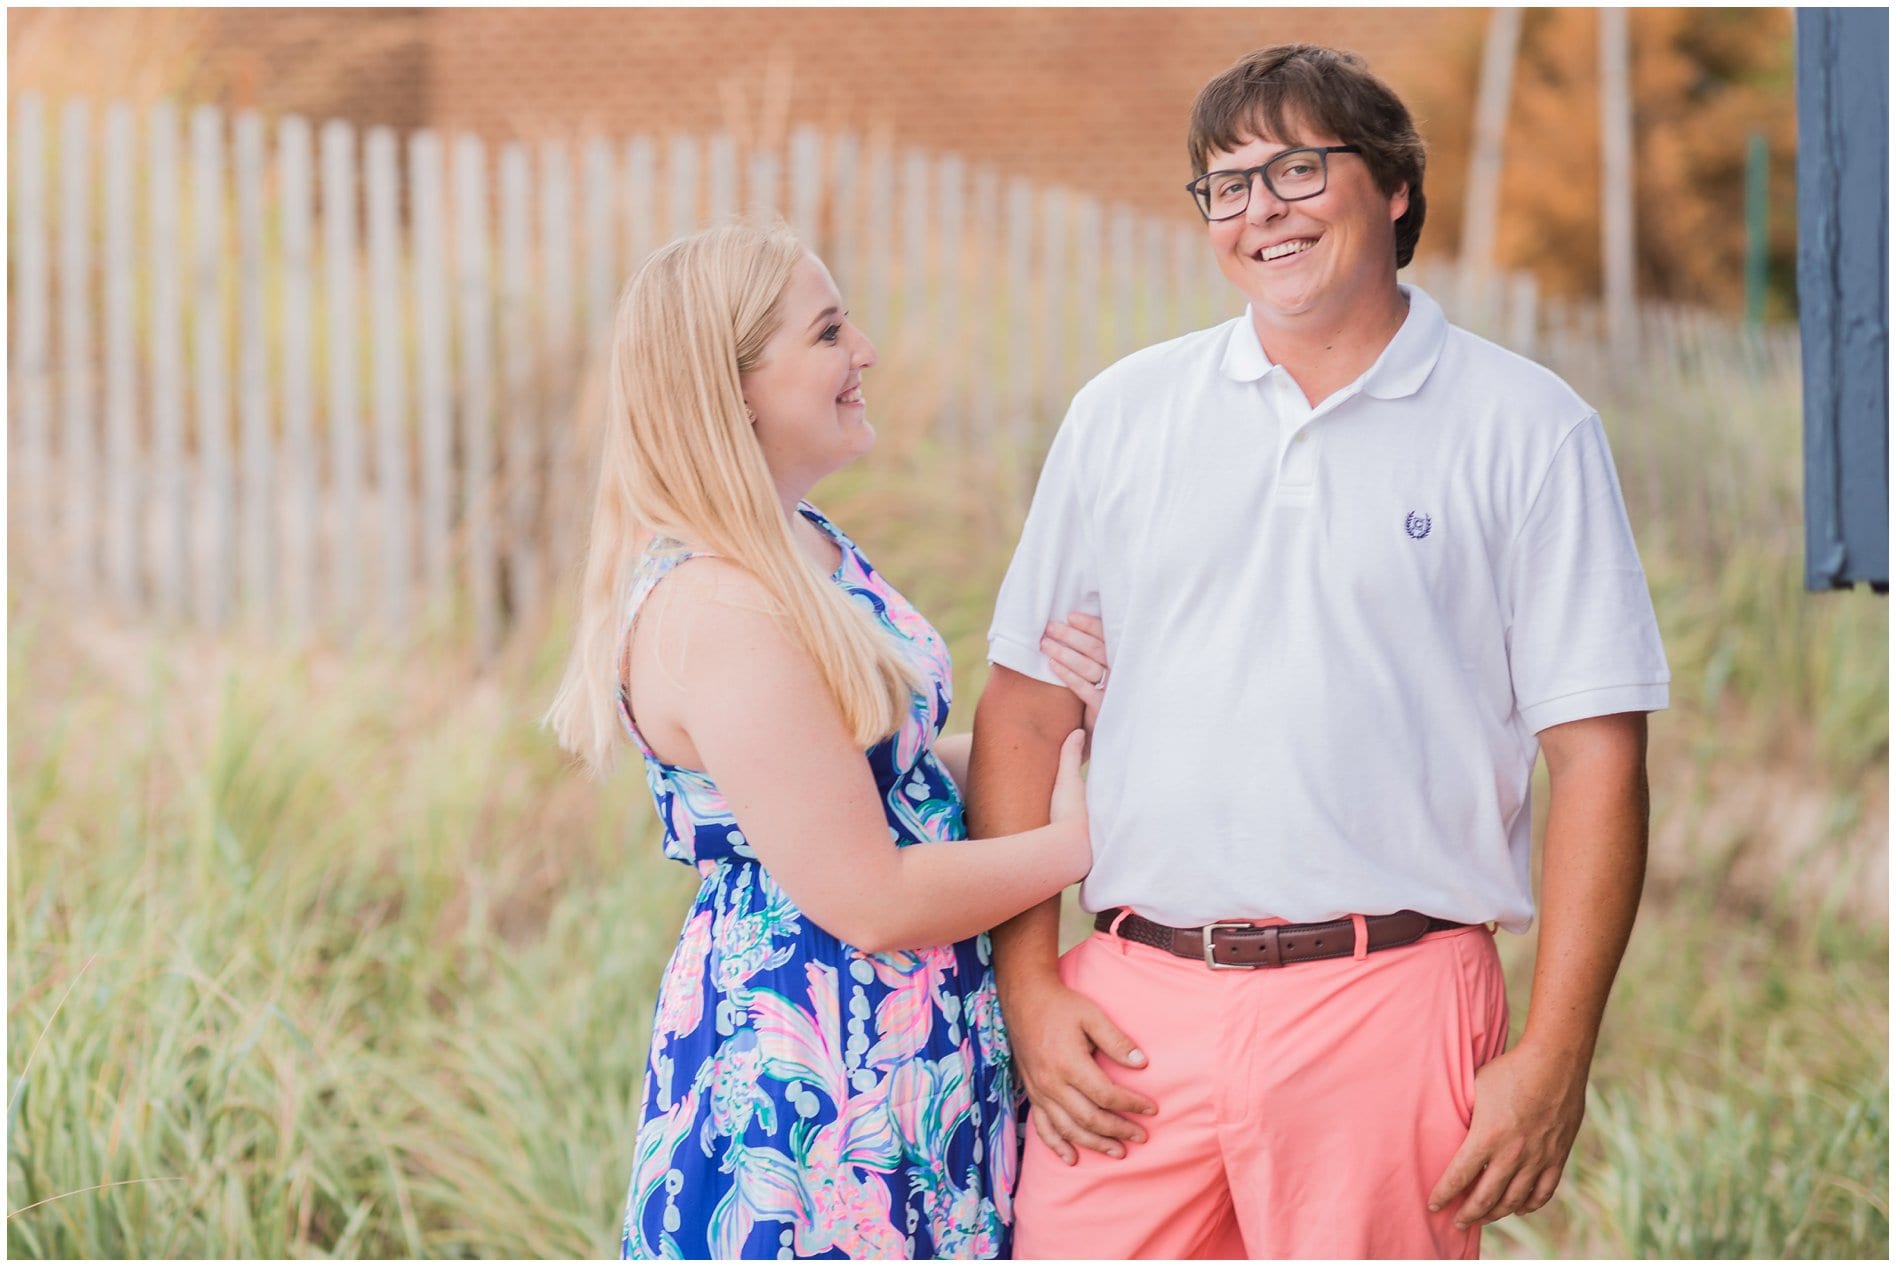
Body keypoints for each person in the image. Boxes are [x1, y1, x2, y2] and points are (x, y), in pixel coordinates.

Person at [968, 43, 1670, 1259]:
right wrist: (1032, 987)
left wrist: (1556, 1054)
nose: (1261, 211)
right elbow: (1025, 719)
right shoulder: (1123, 416)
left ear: (1394, 185)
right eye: (1227, 186)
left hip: (1390, 1002)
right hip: (1134, 1010)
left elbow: (1600, 759)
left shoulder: (1528, 427)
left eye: (1298, 169)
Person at [545, 220, 1114, 1260]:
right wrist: (1079, 842)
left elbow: (887, 779)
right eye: (827, 332)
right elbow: (870, 893)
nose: (866, 353)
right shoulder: (717, 606)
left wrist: (1064, 732)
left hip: (907, 1048)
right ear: (738, 386)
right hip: (816, 1076)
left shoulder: (800, 546)